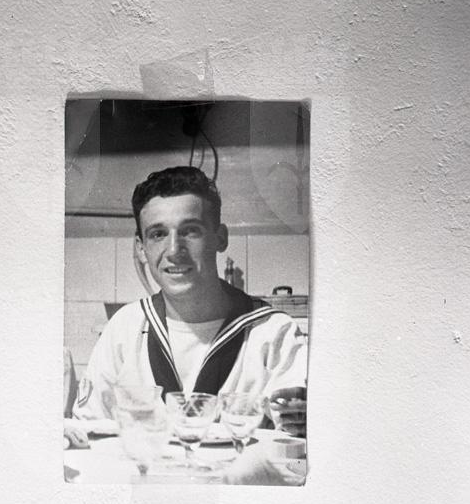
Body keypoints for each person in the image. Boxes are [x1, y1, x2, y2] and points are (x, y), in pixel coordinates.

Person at [65, 166, 307, 446]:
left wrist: (301, 420)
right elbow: (88, 432)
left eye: (190, 231)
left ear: (220, 238)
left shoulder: (274, 332)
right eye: (158, 234)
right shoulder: (124, 328)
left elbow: (296, 442)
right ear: (141, 248)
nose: (174, 250)